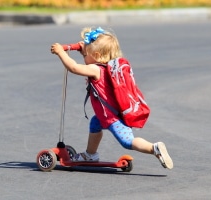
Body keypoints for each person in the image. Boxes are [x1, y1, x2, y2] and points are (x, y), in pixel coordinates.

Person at [50, 27, 173, 169]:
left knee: (127, 142)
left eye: (86, 54)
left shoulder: (95, 69)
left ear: (95, 54)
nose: (84, 57)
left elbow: (74, 68)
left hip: (112, 118)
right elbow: (90, 66)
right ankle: (90, 154)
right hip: (106, 115)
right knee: (95, 123)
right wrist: (84, 52)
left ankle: (154, 148)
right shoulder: (105, 68)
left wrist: (60, 52)